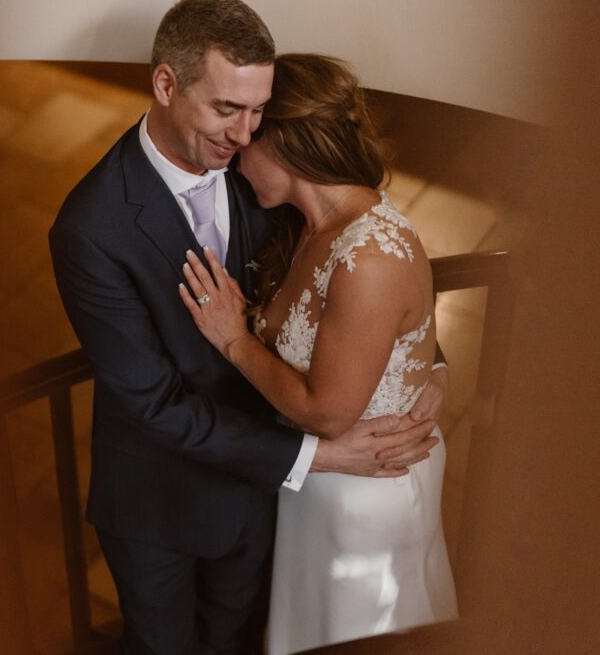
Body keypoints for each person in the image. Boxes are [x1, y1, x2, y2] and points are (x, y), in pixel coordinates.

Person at [49, 0, 447, 654]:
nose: (243, 134)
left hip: (271, 503)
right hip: (164, 507)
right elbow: (158, 404)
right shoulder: (92, 229)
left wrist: (427, 369)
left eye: (258, 112)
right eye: (227, 108)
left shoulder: (265, 173)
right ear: (167, 84)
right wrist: (318, 453)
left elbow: (366, 295)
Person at [179, 53, 458, 654]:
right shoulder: (305, 223)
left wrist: (234, 340)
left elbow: (327, 412)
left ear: (283, 143)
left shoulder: (370, 257)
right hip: (319, 489)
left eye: (251, 135)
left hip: (365, 499)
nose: (236, 151)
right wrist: (433, 365)